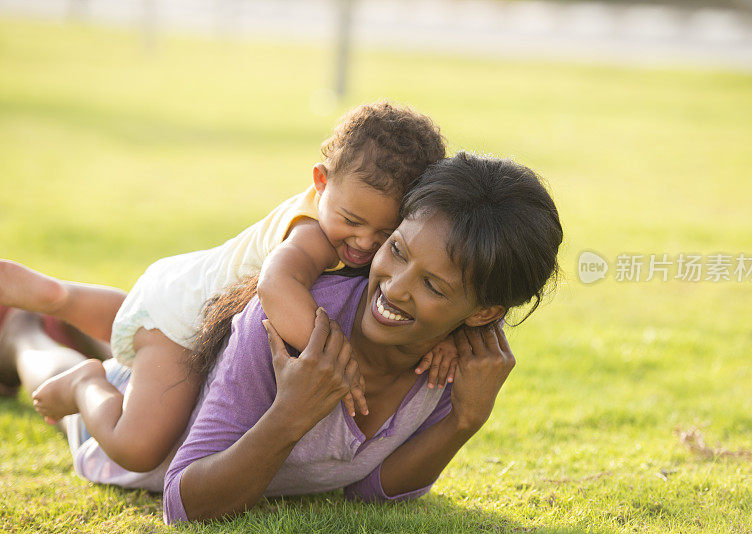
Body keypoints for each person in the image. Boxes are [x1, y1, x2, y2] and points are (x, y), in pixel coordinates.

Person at [0, 152, 562, 522]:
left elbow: (370, 490)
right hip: (145, 430)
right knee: (66, 374)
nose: (394, 286)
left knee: (156, 338)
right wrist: (290, 414)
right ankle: (31, 336)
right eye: (396, 249)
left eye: (435, 285)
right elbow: (183, 503)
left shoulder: (458, 364)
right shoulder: (287, 323)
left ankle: (75, 323)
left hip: (191, 359)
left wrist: (467, 419)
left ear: (485, 312)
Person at [0, 101, 456, 475]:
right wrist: (339, 361)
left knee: (134, 326)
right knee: (138, 447)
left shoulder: (353, 224)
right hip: (183, 327)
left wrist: (449, 338)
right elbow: (277, 286)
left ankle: (59, 298)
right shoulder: (311, 233)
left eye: (385, 233)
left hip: (184, 288)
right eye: (352, 222)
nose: (363, 242)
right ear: (320, 183)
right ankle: (84, 383)